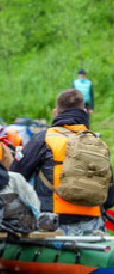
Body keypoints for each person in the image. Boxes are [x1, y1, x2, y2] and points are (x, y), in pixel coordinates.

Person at [11, 89, 114, 235]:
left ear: (55, 112)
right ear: (85, 112)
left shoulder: (43, 139)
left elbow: (15, 176)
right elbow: (109, 199)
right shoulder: (98, 144)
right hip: (93, 221)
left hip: (53, 221)